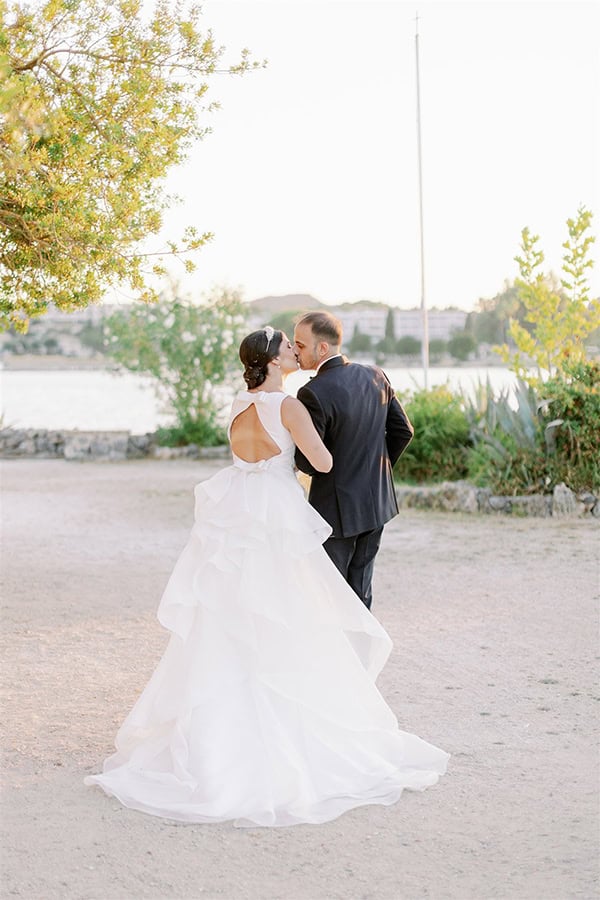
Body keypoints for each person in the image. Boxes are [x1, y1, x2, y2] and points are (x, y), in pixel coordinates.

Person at [85, 327, 448, 827]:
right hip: (275, 516)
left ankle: (218, 734)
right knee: (290, 614)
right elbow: (321, 461)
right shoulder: (290, 406)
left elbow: (245, 456)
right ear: (274, 362)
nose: (294, 351)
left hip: (236, 514)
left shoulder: (236, 404)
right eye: (287, 347)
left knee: (230, 618)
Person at [293, 311, 413, 609]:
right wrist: (375, 472)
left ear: (322, 348)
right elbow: (403, 431)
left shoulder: (312, 392)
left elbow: (307, 462)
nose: (295, 351)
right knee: (361, 589)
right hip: (376, 502)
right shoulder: (376, 375)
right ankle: (362, 654)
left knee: (331, 592)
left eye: (300, 344)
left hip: (335, 511)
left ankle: (338, 655)